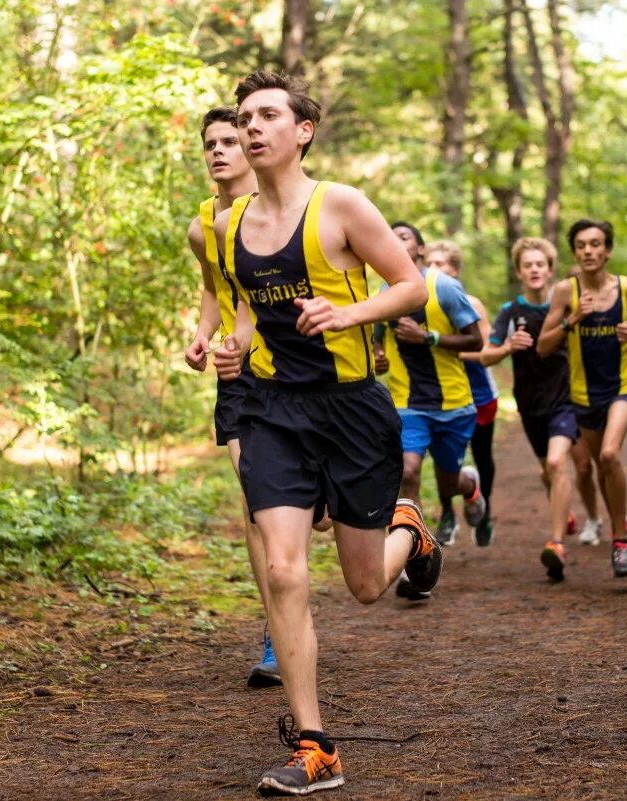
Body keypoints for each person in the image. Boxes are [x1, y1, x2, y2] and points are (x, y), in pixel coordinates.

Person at [213, 70, 441, 797]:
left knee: (367, 584)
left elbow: (411, 286)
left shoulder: (339, 204)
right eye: (245, 116)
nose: (252, 127)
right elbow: (245, 312)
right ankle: (316, 744)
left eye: (267, 115)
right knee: (282, 569)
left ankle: (411, 526)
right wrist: (227, 346)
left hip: (351, 411)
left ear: (301, 130)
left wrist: (350, 314)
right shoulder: (228, 227)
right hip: (273, 410)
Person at [182, 107, 281, 688]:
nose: (220, 151)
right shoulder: (202, 226)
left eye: (230, 141)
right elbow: (216, 288)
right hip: (236, 372)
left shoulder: (277, 211)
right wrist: (203, 333)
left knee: (314, 514)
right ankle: (275, 631)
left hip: (295, 369)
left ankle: (391, 520)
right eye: (210, 144)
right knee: (254, 500)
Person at [537, 219, 627, 578]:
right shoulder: (565, 292)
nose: (588, 251)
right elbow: (544, 346)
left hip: (621, 386)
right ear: (574, 252)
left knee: (609, 454)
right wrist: (571, 321)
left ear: (607, 250)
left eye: (595, 244)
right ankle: (618, 525)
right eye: (581, 245)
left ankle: (621, 543)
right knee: (596, 468)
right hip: (583, 394)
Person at [371, 232, 484, 604]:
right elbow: (375, 347)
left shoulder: (445, 288)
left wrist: (429, 338)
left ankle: (469, 486)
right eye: (390, 235)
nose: (396, 240)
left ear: (420, 248)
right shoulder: (383, 297)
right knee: (407, 472)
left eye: (404, 235)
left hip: (453, 405)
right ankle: (413, 560)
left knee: (448, 484)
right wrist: (378, 360)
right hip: (407, 404)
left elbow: (476, 341)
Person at [479, 237, 579, 581]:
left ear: (550, 270)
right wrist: (507, 346)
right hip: (530, 403)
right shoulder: (511, 312)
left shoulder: (567, 306)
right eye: (528, 265)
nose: (535, 270)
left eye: (540, 264)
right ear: (520, 272)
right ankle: (561, 510)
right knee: (547, 471)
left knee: (556, 463)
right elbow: (485, 355)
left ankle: (556, 544)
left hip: (566, 399)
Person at [423, 239, 499, 547]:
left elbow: (484, 348)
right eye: (429, 263)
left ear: (454, 270)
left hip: (478, 391)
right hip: (438, 392)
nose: (433, 270)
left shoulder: (472, 303)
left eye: (440, 265)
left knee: (482, 456)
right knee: (444, 460)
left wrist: (439, 346)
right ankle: (447, 516)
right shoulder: (419, 303)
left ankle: (484, 507)